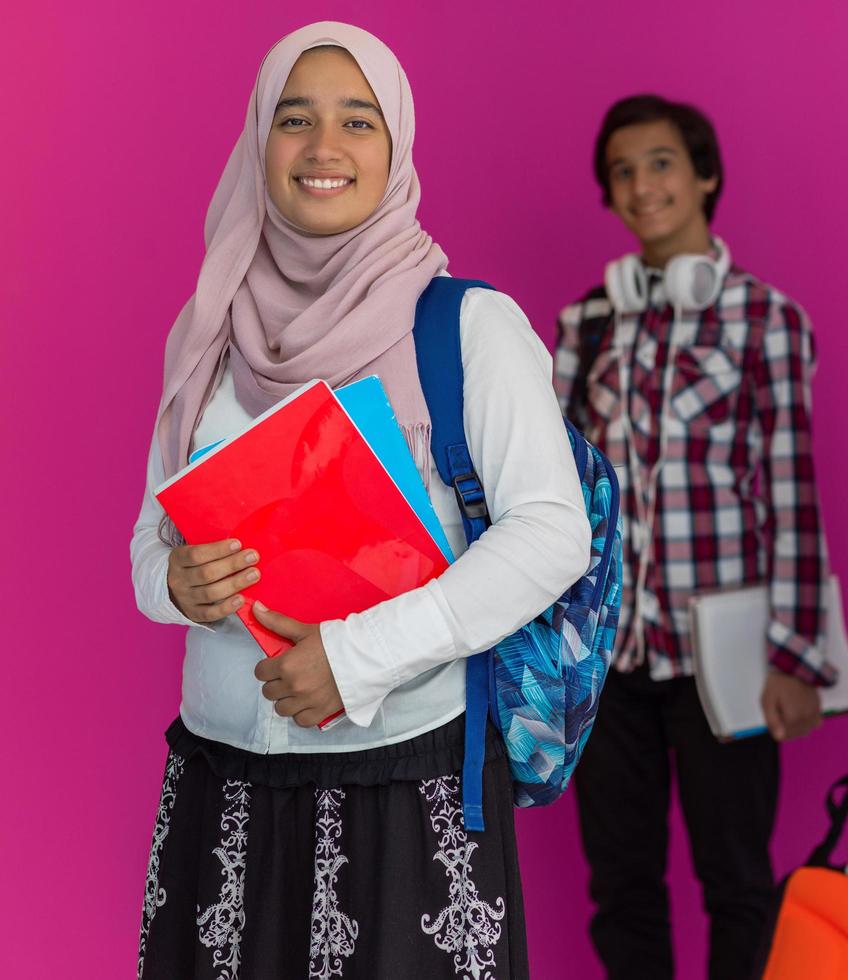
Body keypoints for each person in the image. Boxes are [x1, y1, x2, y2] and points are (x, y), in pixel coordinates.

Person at [130, 23, 589, 979]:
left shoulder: (466, 324)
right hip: (223, 781)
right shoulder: (207, 330)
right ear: (259, 140)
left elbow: (551, 536)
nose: (322, 148)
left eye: (358, 121)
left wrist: (354, 657)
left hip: (405, 780)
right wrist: (175, 582)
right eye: (294, 119)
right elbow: (147, 546)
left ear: (397, 147)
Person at [553, 94, 848, 979]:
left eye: (661, 164)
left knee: (737, 883)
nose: (642, 186)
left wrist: (795, 657)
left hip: (724, 665)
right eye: (622, 171)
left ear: (704, 176)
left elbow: (791, 493)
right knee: (621, 885)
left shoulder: (766, 319)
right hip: (608, 659)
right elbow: (557, 500)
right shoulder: (583, 326)